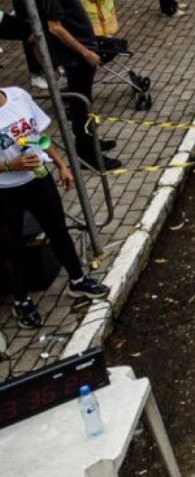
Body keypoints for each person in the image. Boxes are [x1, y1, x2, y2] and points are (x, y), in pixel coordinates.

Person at [0, 86, 110, 329]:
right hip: (5, 191)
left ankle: (77, 280)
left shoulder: (18, 95)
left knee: (58, 230)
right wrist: (10, 166)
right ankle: (22, 301)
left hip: (39, 178)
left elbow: (38, 135)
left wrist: (61, 164)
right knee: (13, 247)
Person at [31, 0, 120, 170]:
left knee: (86, 102)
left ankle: (90, 141)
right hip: (74, 55)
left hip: (82, 46)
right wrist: (85, 52)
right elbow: (55, 27)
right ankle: (86, 154)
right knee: (81, 105)